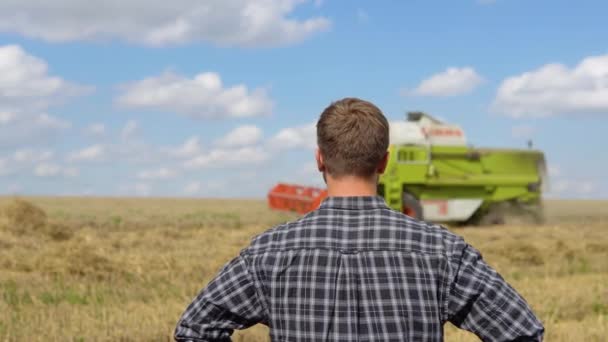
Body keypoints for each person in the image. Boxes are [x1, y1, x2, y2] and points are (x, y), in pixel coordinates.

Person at [174, 98, 544, 341]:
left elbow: (195, 329)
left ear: (319, 159)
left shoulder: (270, 252)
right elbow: (522, 333)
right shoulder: (442, 251)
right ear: (384, 161)